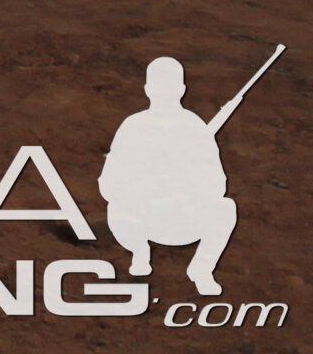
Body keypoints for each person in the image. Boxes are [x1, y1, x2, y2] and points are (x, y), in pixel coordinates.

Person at [102, 53, 250, 297]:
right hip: (142, 217)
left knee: (226, 208)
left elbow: (217, 183)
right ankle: (140, 252)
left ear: (182, 89)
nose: (164, 92)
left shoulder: (195, 127)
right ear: (148, 89)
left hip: (184, 218)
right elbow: (109, 182)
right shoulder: (133, 126)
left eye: (169, 87)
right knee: (116, 207)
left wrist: (187, 189)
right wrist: (142, 188)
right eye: (159, 86)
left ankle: (202, 268)